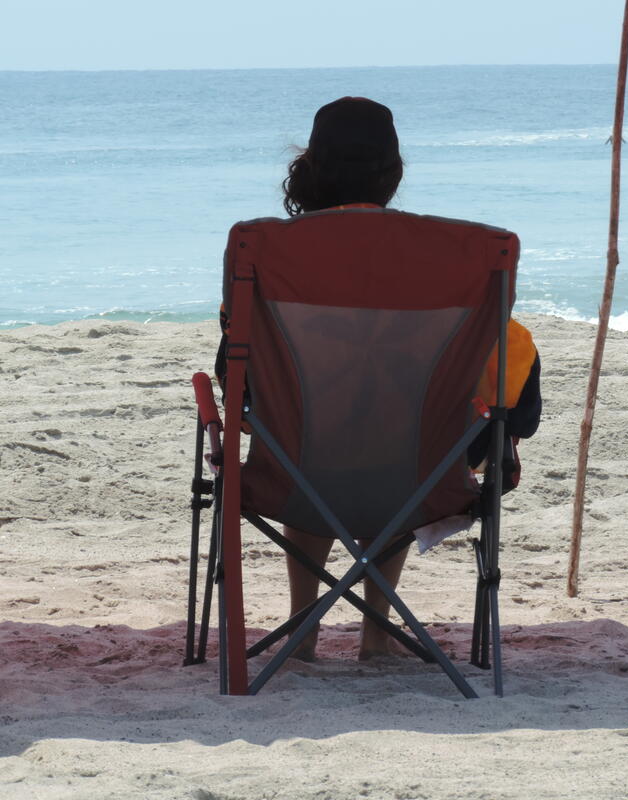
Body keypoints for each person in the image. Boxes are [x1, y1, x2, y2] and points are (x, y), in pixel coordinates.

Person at [216, 97, 541, 661]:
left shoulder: (268, 250)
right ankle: (377, 635)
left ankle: (302, 632)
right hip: (420, 475)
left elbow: (234, 375)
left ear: (311, 169)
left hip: (294, 472)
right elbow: (519, 402)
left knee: (311, 445)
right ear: (394, 174)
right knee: (399, 441)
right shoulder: (455, 254)